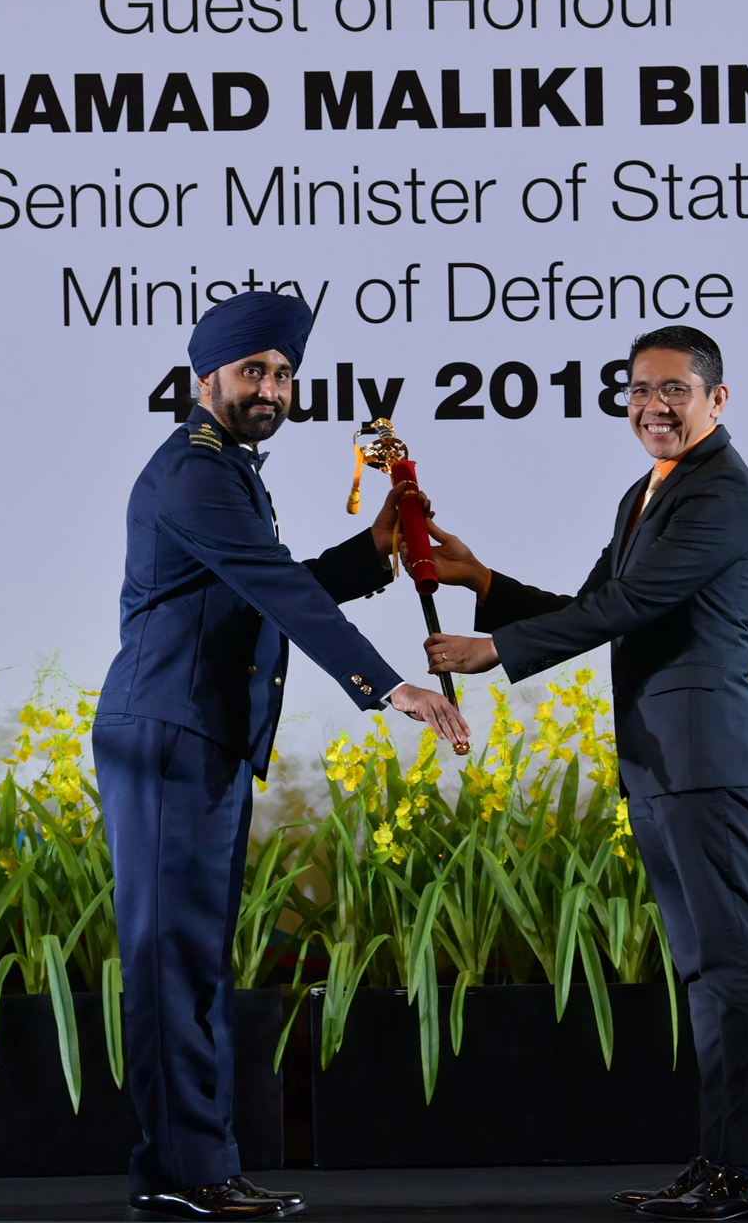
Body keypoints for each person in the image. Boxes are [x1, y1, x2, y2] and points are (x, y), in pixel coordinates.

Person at [95, 290, 469, 1223]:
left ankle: (191, 1166)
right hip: (169, 739)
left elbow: (263, 586)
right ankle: (186, 1171)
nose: (272, 387)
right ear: (204, 380)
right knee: (173, 964)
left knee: (193, 961)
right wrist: (390, 687)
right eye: (253, 370)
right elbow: (276, 589)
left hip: (201, 735)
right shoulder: (195, 471)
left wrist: (375, 551)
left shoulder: (227, 471)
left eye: (283, 373)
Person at [421, 325, 748, 1220]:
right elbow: (596, 605)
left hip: (704, 761)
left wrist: (494, 650)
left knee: (733, 968)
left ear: (716, 400)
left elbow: (634, 602)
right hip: (662, 764)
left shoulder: (722, 493)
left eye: (673, 390)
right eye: (638, 390)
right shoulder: (648, 489)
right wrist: (484, 581)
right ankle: (721, 1163)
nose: (652, 406)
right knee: (703, 970)